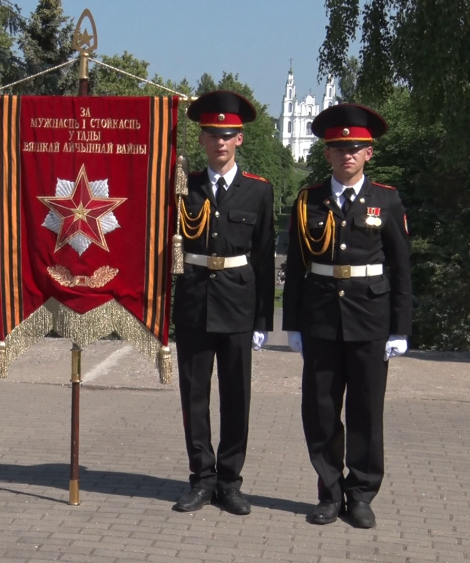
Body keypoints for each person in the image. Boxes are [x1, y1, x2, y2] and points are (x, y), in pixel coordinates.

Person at [283, 103, 412, 529]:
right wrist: (294, 325)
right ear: (326, 154)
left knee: (365, 410)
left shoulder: (387, 200)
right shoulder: (308, 200)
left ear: (369, 153)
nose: (347, 155)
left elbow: (401, 267)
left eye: (356, 147)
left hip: (370, 319)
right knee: (319, 410)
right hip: (321, 318)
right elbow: (299, 267)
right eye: (339, 148)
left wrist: (400, 329)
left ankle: (360, 494)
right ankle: (328, 491)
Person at [172, 91, 275, 515]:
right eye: (212, 134)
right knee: (194, 397)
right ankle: (202, 478)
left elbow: (266, 257)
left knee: (236, 397)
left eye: (228, 134)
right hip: (194, 301)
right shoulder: (182, 187)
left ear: (240, 140)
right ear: (201, 139)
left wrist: (262, 320)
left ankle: (230, 482)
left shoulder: (258, 192)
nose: (220, 142)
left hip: (237, 303)